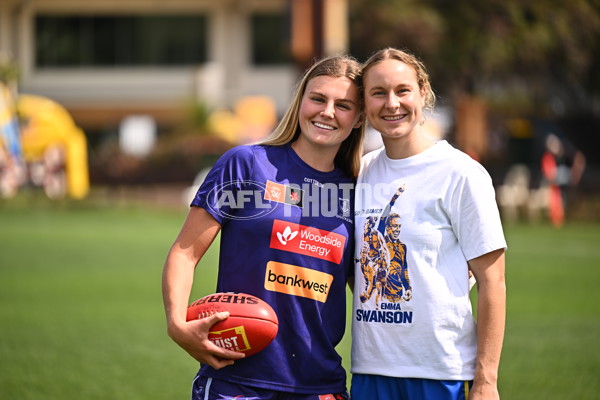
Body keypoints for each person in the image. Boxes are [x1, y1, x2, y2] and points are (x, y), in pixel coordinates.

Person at [162, 55, 365, 400]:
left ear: (359, 118)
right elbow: (185, 253)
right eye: (317, 98)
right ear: (300, 101)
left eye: (343, 105)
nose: (327, 111)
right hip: (236, 377)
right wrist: (176, 323)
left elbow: (364, 288)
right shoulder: (246, 164)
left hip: (319, 385)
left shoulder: (358, 190)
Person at [351, 47, 507, 400]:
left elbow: (493, 280)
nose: (392, 103)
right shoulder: (360, 173)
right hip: (369, 372)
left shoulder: (461, 173)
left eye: (402, 90)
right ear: (364, 103)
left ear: (423, 92)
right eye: (378, 92)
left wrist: (486, 380)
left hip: (441, 373)